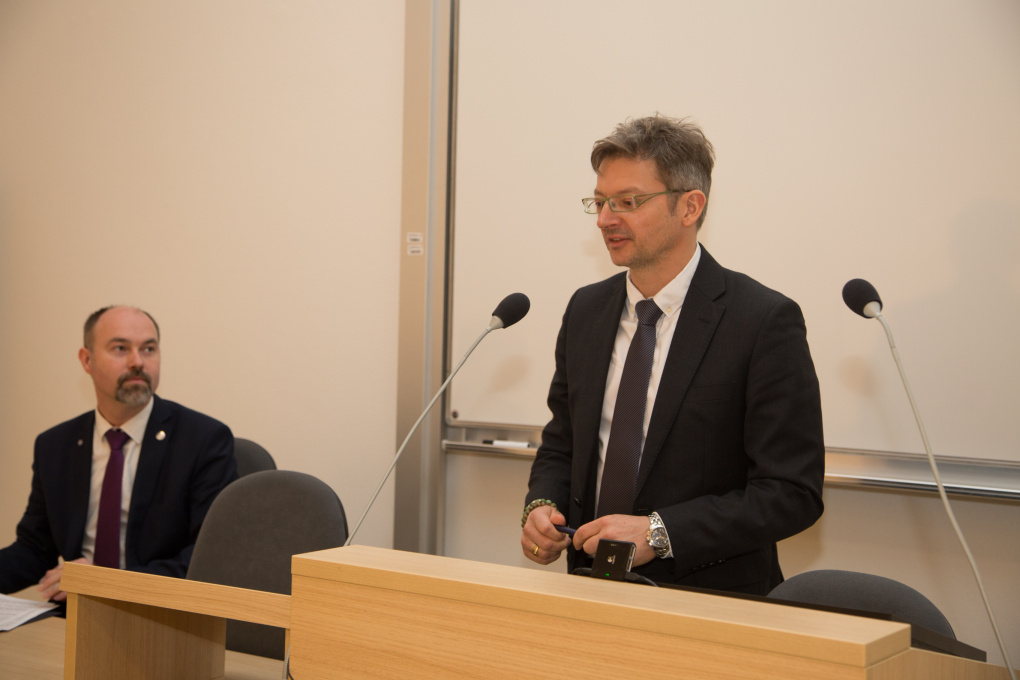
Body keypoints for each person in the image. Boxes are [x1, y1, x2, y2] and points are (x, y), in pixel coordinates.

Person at [521, 115, 825, 595]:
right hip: (590, 586)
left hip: (712, 599)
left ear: (689, 207)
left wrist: (659, 534)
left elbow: (792, 493)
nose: (604, 219)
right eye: (599, 202)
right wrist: (542, 506)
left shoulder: (762, 320)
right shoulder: (586, 310)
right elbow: (563, 443)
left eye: (628, 202)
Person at [0, 306, 237, 601]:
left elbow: (209, 556)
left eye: (148, 349)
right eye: (121, 348)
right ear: (87, 360)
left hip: (160, 614)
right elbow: (34, 549)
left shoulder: (203, 440)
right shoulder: (55, 445)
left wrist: (107, 583)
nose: (137, 362)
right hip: (77, 612)